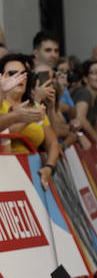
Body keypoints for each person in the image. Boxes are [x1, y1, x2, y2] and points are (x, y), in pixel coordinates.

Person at [0, 53, 60, 187]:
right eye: (12, 73)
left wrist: (49, 167)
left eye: (23, 73)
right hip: (5, 174)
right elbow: (6, 131)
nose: (18, 77)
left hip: (33, 176)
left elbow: (53, 143)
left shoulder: (35, 106)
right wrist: (26, 118)